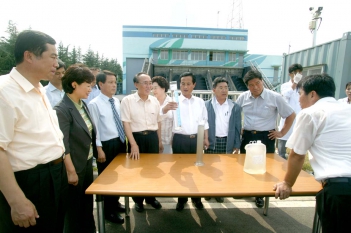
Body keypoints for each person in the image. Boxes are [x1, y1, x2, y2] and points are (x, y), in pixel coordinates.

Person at [0, 30, 68, 233]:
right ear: (29, 56)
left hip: (55, 175)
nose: (57, 64)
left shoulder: (40, 88)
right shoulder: (4, 91)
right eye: (53, 57)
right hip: (29, 182)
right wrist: (17, 201)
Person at [273, 73, 351, 233]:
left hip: (340, 191)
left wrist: (287, 183)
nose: (299, 100)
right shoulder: (347, 109)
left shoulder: (312, 113)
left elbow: (297, 154)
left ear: (313, 94)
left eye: (300, 94)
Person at [236, 70, 295, 208]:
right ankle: (245, 189)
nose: (255, 87)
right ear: (247, 86)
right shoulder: (243, 97)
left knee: (263, 167)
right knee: (245, 164)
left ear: (262, 81)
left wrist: (281, 133)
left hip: (266, 136)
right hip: (248, 136)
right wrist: (240, 129)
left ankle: (259, 194)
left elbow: (291, 115)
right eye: (251, 85)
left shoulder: (275, 97)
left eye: (257, 83)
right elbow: (234, 114)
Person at [54, 65, 96, 233]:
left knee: (86, 205)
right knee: (73, 211)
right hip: (74, 167)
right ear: (74, 84)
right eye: (87, 85)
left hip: (86, 163)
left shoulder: (81, 104)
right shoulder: (62, 110)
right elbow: (64, 145)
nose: (90, 89)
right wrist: (71, 171)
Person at [163, 71, 209, 211]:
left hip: (196, 139)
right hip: (180, 140)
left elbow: (204, 121)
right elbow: (162, 115)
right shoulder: (173, 101)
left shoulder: (200, 102)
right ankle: (181, 199)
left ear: (194, 85)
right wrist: (165, 109)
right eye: (182, 83)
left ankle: (197, 199)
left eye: (188, 83)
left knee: (197, 170)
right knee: (180, 170)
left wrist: (205, 138)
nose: (185, 86)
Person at [120, 72, 163, 213]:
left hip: (152, 139)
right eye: (145, 82)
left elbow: (158, 122)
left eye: (150, 83)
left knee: (153, 170)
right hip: (136, 139)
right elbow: (126, 123)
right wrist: (133, 144)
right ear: (136, 84)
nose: (148, 86)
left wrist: (159, 141)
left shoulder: (155, 101)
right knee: (137, 172)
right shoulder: (127, 101)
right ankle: (138, 201)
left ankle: (151, 198)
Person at [88, 70, 126, 224]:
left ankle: (115, 202)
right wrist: (99, 149)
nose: (114, 85)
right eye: (110, 82)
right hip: (105, 145)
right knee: (107, 179)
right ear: (100, 84)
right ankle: (108, 211)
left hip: (120, 143)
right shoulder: (94, 104)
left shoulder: (116, 101)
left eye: (115, 82)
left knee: (119, 177)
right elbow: (94, 129)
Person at [204, 77, 241, 203]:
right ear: (214, 90)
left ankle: (220, 192)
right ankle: (208, 190)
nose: (224, 90)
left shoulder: (234, 106)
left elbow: (237, 127)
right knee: (210, 168)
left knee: (224, 168)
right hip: (211, 141)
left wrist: (237, 144)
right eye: (221, 87)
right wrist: (204, 139)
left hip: (227, 142)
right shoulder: (206, 105)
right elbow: (203, 124)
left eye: (226, 87)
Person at [277, 64, 303, 159]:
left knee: (297, 143)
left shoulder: (303, 86)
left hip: (299, 117)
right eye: (295, 73)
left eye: (299, 73)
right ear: (290, 74)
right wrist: (294, 83)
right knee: (283, 141)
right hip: (287, 118)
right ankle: (281, 158)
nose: (297, 75)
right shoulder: (285, 86)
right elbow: (285, 95)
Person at [152, 76, 173, 154]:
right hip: (154, 141)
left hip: (168, 141)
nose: (153, 90)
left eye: (155, 88)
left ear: (163, 88)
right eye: (152, 88)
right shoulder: (150, 102)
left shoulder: (172, 102)